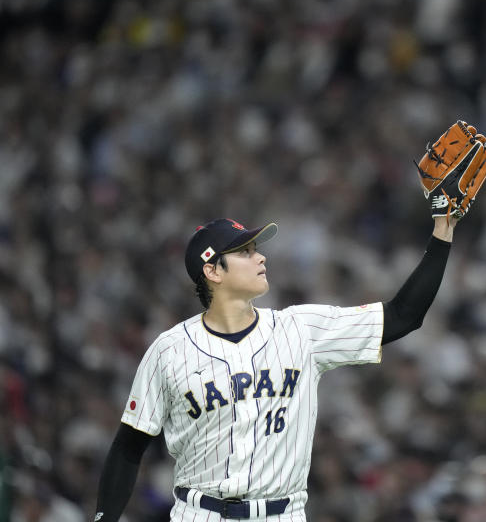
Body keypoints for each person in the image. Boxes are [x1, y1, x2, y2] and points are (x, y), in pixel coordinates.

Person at [92, 210, 459, 521]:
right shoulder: (169, 351)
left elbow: (403, 315)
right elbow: (128, 446)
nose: (261, 258)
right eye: (245, 252)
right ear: (213, 271)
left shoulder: (300, 329)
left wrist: (442, 232)